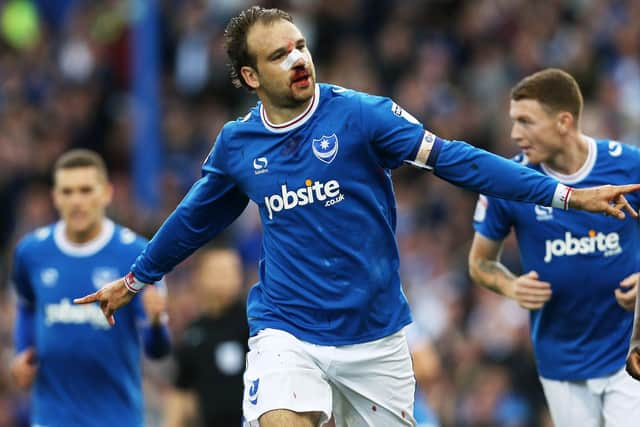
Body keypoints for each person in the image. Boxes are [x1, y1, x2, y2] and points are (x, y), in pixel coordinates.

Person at [74, 7, 640, 427]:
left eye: (300, 45)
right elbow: (194, 219)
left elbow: (457, 161)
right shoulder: (238, 144)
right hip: (287, 329)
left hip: (375, 338)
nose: (298, 59)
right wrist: (136, 278)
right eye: (278, 55)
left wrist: (564, 196)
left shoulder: (363, 116)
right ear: (250, 77)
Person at [468, 68, 640, 427]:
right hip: (560, 361)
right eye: (513, 122)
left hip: (628, 350)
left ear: (563, 121)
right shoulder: (508, 182)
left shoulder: (629, 166)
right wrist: (511, 286)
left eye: (526, 122)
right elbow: (479, 263)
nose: (515, 134)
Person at [10, 149, 171, 427]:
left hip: (117, 417)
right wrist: (23, 353)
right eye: (68, 191)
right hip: (51, 417)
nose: (77, 201)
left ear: (106, 193)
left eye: (86, 190)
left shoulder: (138, 255)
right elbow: (26, 307)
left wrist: (156, 323)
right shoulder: (31, 252)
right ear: (55, 196)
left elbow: (158, 350)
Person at [164, 244, 249, 427]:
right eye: (219, 271)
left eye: (232, 270)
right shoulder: (193, 333)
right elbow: (182, 390)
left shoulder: (253, 326)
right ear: (199, 277)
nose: (227, 278)